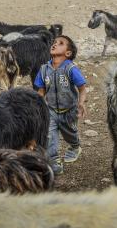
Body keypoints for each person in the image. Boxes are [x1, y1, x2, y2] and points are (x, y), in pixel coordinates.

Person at [34, 35, 87, 175]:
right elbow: (41, 91)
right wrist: (39, 106)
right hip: (50, 110)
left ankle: (75, 146)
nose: (55, 44)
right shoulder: (44, 69)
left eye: (60, 43)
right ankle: (54, 161)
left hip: (69, 110)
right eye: (54, 42)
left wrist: (81, 104)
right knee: (49, 136)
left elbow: (82, 88)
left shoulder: (70, 69)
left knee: (70, 133)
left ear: (68, 53)